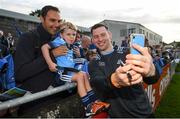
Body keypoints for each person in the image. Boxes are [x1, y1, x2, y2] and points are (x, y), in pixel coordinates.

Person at [88, 23, 160, 118]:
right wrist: (114, 80)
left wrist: (151, 71)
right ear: (93, 40)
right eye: (96, 37)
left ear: (109, 35)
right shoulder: (93, 63)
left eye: (103, 35)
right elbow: (98, 84)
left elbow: (152, 80)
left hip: (143, 114)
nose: (100, 39)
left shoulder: (128, 52)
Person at [41, 21, 110, 117]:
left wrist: (78, 56)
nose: (71, 37)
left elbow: (72, 59)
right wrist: (50, 63)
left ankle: (95, 101)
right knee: (81, 75)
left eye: (73, 34)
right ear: (61, 34)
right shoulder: (59, 41)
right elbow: (44, 47)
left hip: (70, 71)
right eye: (68, 34)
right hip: (62, 73)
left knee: (85, 74)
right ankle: (88, 107)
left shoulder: (71, 45)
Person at [14, 5, 69, 116]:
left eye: (59, 21)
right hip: (35, 106)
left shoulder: (59, 40)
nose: (56, 25)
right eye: (52, 20)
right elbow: (20, 73)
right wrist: (51, 55)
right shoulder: (27, 38)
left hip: (59, 99)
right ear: (41, 18)